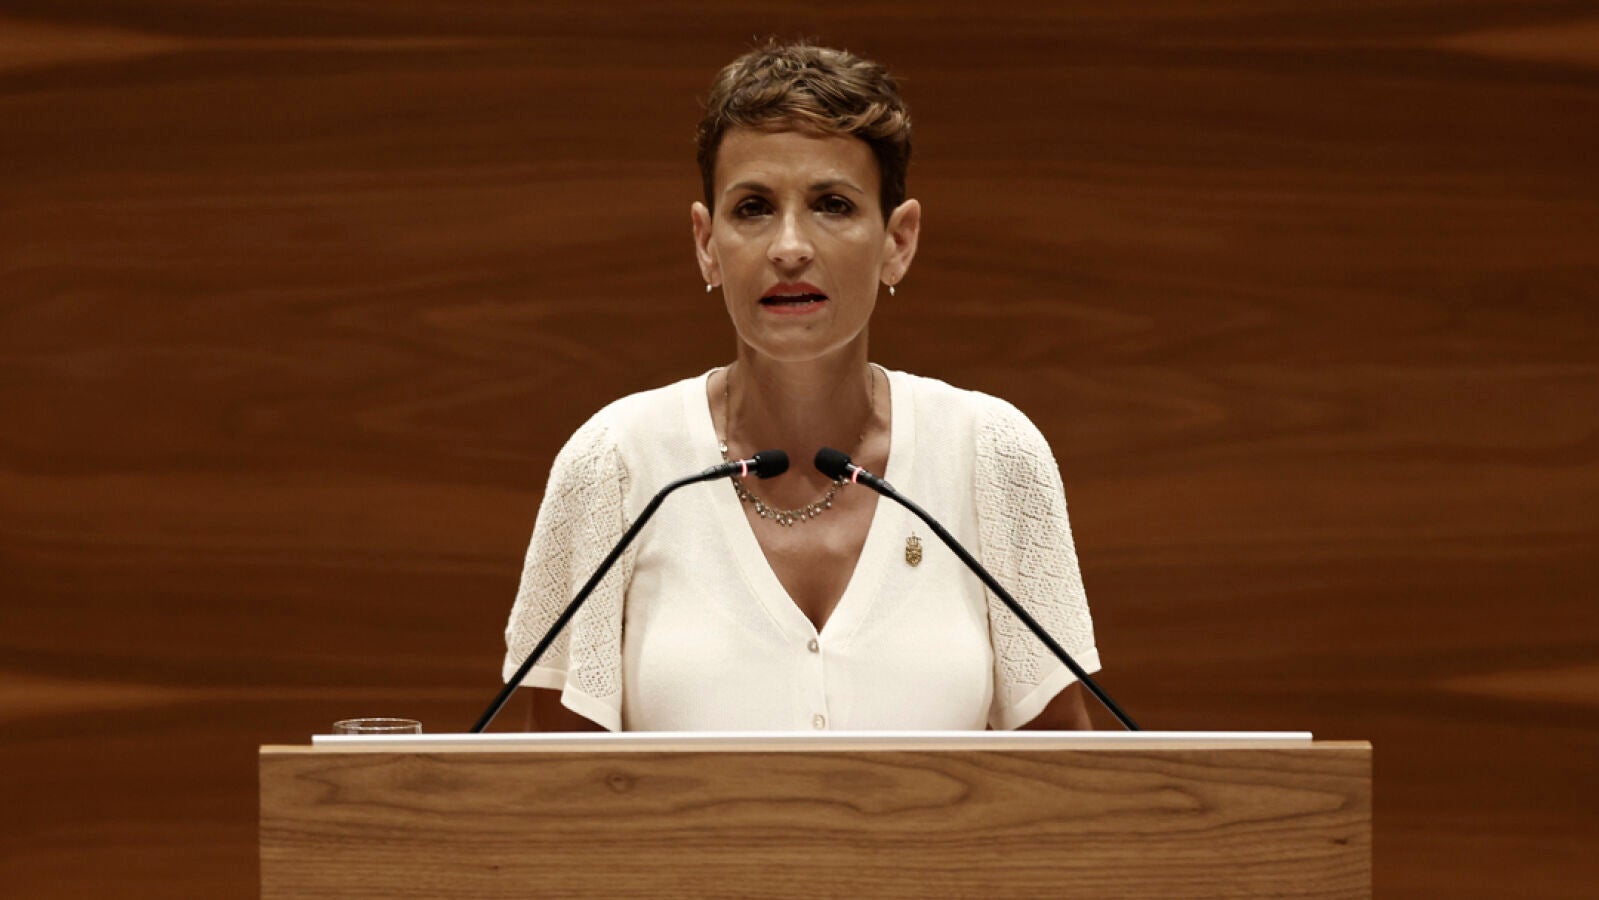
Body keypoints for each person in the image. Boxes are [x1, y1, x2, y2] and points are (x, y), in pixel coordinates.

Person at [502, 40, 1100, 732]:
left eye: (832, 204)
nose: (789, 247)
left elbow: (1065, 776)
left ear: (898, 241)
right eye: (753, 207)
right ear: (706, 243)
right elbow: (554, 783)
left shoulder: (992, 454)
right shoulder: (614, 462)